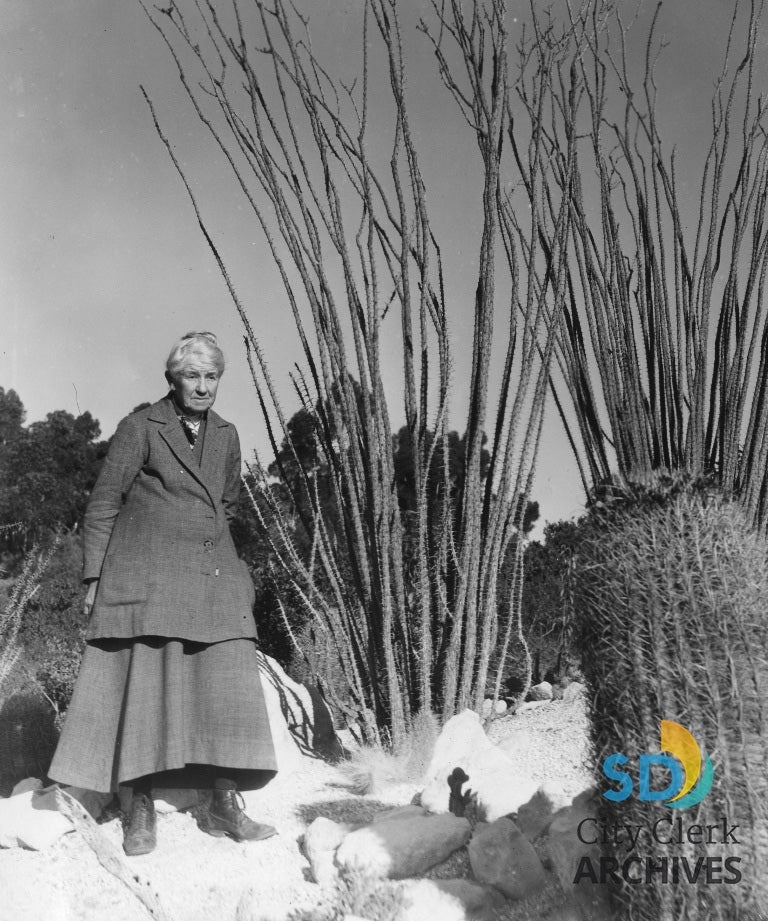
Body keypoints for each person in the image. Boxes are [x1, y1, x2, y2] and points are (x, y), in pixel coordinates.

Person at [49, 331, 278, 856]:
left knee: (224, 682)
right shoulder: (140, 427)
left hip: (210, 575)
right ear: (172, 379)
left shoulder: (227, 433)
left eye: (212, 377)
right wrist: (93, 579)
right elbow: (104, 503)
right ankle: (138, 808)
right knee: (143, 688)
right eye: (192, 376)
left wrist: (231, 568)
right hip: (147, 578)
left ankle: (222, 804)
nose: (202, 387)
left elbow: (230, 504)